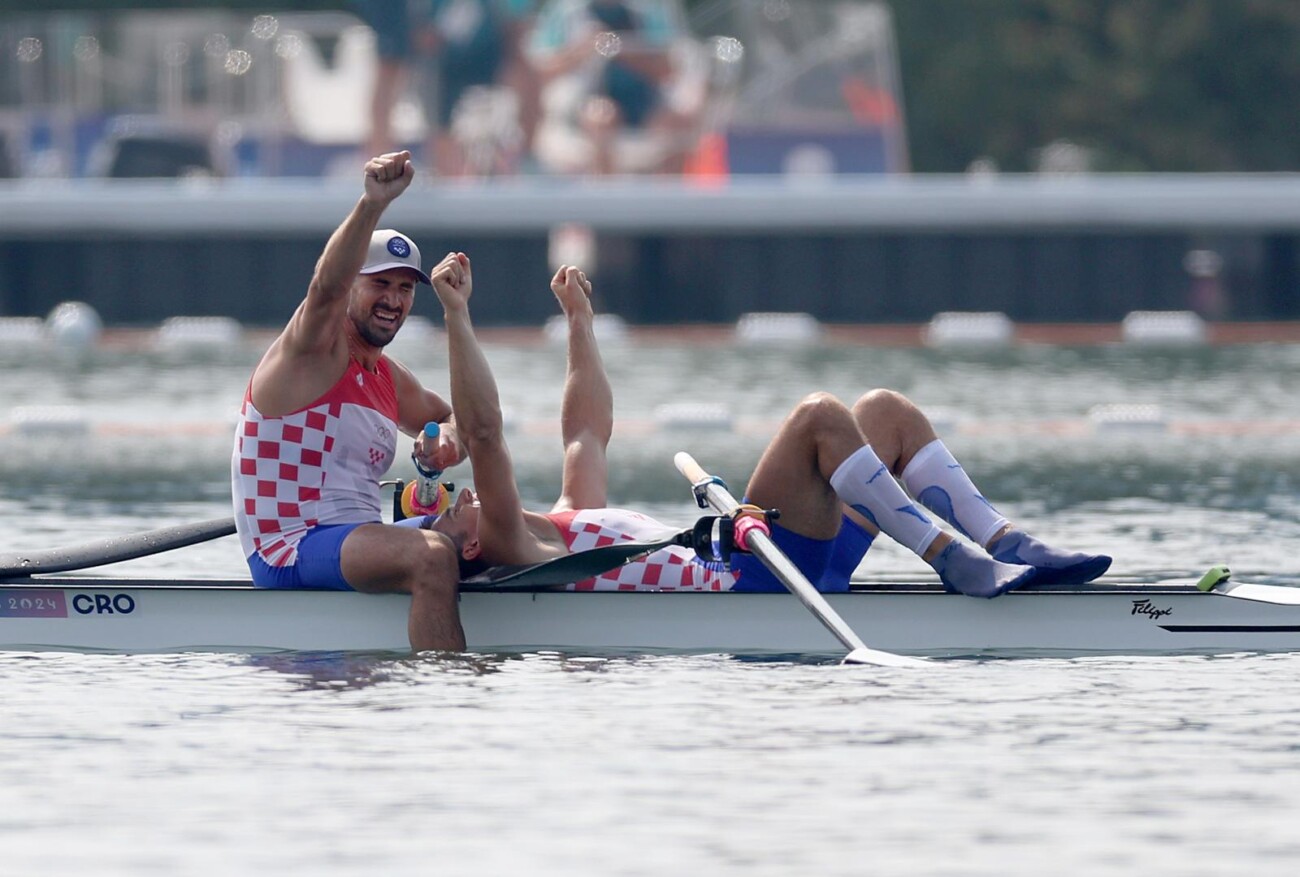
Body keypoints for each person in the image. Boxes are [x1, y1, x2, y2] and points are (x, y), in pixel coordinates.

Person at [424, 256, 1112, 596]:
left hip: (783, 563)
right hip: (755, 579)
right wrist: (457, 316)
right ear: (472, 549)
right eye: (448, 518)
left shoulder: (572, 517)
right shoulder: (519, 545)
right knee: (819, 416)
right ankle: (955, 564)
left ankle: (1010, 544)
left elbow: (585, 430)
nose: (458, 499)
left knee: (886, 413)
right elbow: (484, 436)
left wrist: (579, 322)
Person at [231, 151, 469, 651]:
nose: (394, 300)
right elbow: (325, 287)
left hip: (354, 541)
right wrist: (371, 204)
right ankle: (449, 694)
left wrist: (446, 444)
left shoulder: (386, 376)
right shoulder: (311, 350)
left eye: (405, 289)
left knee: (485, 525)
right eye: (379, 283)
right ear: (352, 288)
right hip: (289, 547)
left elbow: (454, 418)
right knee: (432, 555)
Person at [525, 0, 701, 175]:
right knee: (601, 118)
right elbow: (538, 70)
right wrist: (580, 50)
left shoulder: (650, 10)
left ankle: (666, 199)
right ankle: (606, 195)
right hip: (585, 104)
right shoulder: (564, 11)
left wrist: (621, 50)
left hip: (645, 103)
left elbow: (670, 67)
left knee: (679, 123)